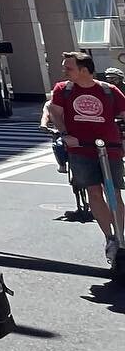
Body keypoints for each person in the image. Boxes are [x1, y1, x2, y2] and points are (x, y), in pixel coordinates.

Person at [47, 50, 125, 271]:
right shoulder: (63, 89)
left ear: (84, 70)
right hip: (80, 148)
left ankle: (121, 236)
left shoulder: (108, 90)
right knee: (93, 192)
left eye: (69, 67)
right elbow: (55, 113)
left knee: (114, 193)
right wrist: (64, 134)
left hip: (110, 148)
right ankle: (110, 237)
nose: (64, 71)